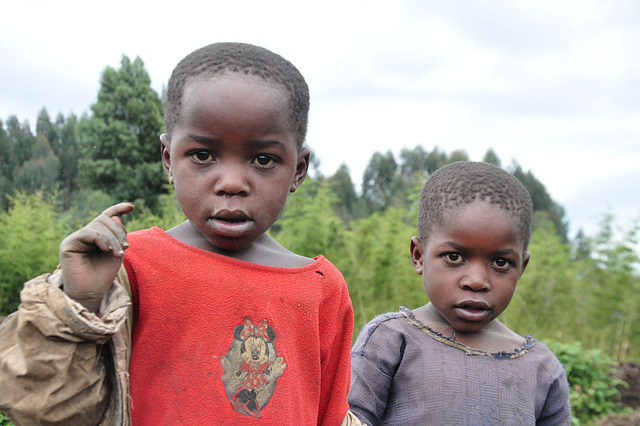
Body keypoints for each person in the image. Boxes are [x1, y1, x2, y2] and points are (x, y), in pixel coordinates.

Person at [0, 42, 360, 425]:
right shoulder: (127, 266)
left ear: (299, 169)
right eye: (203, 155)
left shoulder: (321, 288)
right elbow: (37, 405)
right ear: (168, 159)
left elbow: (331, 416)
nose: (232, 183)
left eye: (263, 159)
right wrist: (78, 301)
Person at [348, 161, 572, 425]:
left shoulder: (542, 369)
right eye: (454, 257)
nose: (477, 281)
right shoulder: (392, 341)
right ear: (419, 256)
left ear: (521, 267)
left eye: (500, 263)